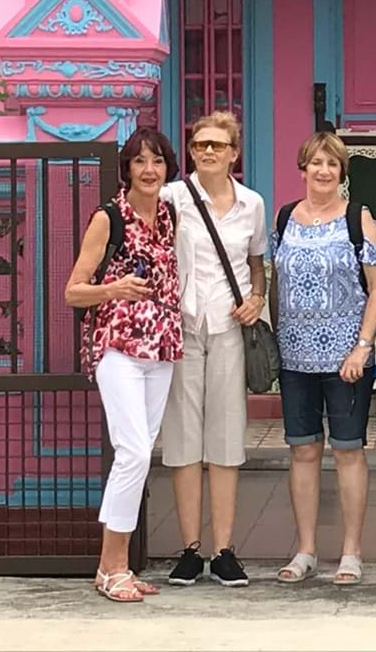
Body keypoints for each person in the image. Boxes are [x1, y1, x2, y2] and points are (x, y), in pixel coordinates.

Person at [64, 127, 183, 603]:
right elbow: (74, 290)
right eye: (139, 162)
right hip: (117, 346)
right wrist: (113, 289)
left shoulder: (170, 215)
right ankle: (115, 564)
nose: (149, 170)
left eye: (156, 161)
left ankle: (109, 567)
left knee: (139, 453)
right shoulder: (108, 217)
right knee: (131, 451)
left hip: (162, 347)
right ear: (127, 169)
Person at [271, 132, 376, 586]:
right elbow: (275, 279)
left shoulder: (359, 220)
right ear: (302, 168)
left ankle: (351, 552)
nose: (323, 171)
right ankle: (305, 549)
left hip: (347, 357)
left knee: (347, 450)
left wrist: (363, 344)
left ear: (342, 172)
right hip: (295, 356)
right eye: (315, 163)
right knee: (301, 449)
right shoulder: (285, 218)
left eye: (332, 164)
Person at [159, 111, 267, 588]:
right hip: (182, 325)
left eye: (217, 145)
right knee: (183, 438)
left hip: (227, 326)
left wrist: (258, 299)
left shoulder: (252, 204)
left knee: (225, 437)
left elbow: (257, 264)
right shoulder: (171, 198)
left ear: (233, 153)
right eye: (200, 144)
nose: (207, 151)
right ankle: (189, 549)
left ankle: (223, 548)